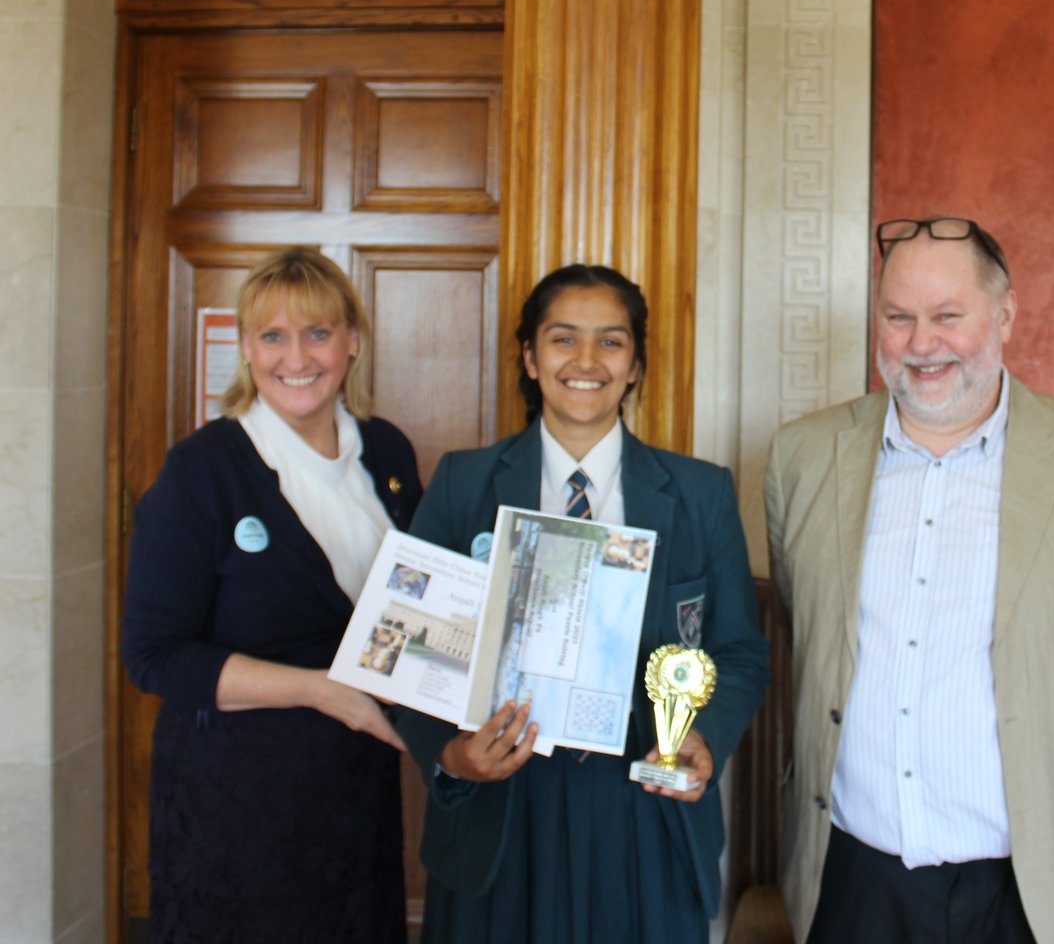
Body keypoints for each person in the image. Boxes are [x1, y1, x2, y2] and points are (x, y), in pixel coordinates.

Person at [765, 216, 1054, 944]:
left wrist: (1052, 746)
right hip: (853, 873)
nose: (923, 345)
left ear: (1007, 314)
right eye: (899, 318)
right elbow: (808, 624)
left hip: (1030, 885)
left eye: (948, 317)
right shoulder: (802, 457)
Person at [392, 263, 770, 944]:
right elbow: (411, 651)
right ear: (530, 357)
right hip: (499, 811)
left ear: (635, 364)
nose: (587, 361)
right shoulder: (462, 483)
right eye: (564, 339)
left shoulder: (699, 494)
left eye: (611, 342)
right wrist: (451, 757)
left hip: (644, 811)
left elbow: (738, 649)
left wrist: (703, 734)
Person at [121, 247, 421, 943]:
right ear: (247, 348)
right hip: (235, 796)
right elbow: (155, 657)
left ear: (352, 340)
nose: (297, 357)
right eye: (273, 336)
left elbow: (415, 602)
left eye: (318, 333)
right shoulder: (203, 470)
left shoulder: (387, 453)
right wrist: (318, 689)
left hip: (354, 779)